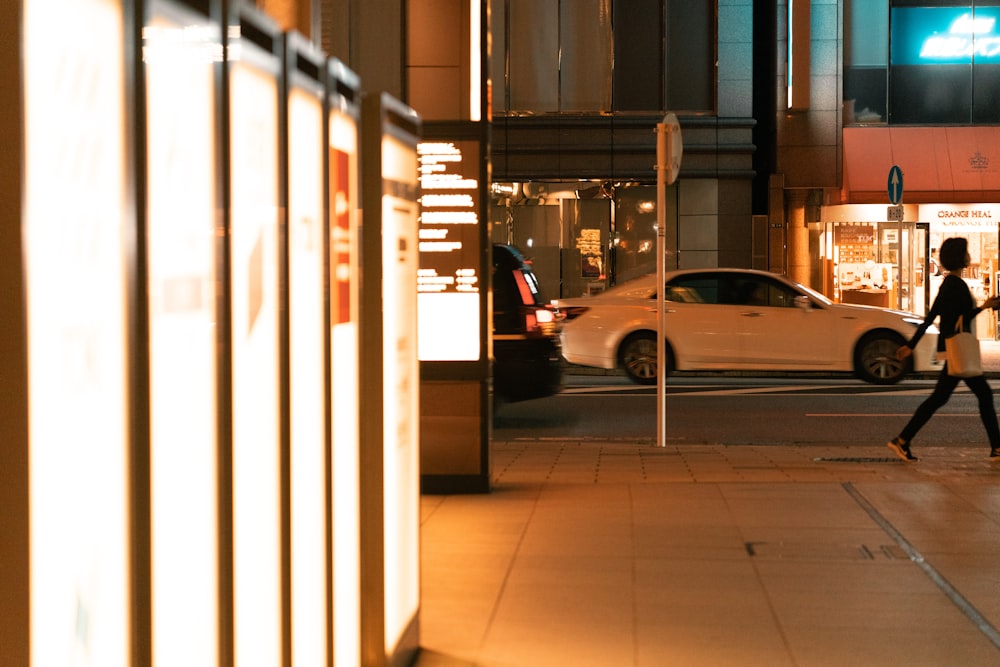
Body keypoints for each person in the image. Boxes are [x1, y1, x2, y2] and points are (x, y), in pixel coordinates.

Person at [888, 237, 1000, 461]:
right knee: (982, 395)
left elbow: (931, 317)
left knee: (940, 398)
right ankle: (997, 448)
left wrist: (911, 346)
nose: (969, 256)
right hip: (958, 348)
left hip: (953, 349)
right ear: (960, 257)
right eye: (966, 253)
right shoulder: (955, 285)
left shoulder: (949, 283)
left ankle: (902, 440)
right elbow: (958, 318)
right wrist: (984, 307)